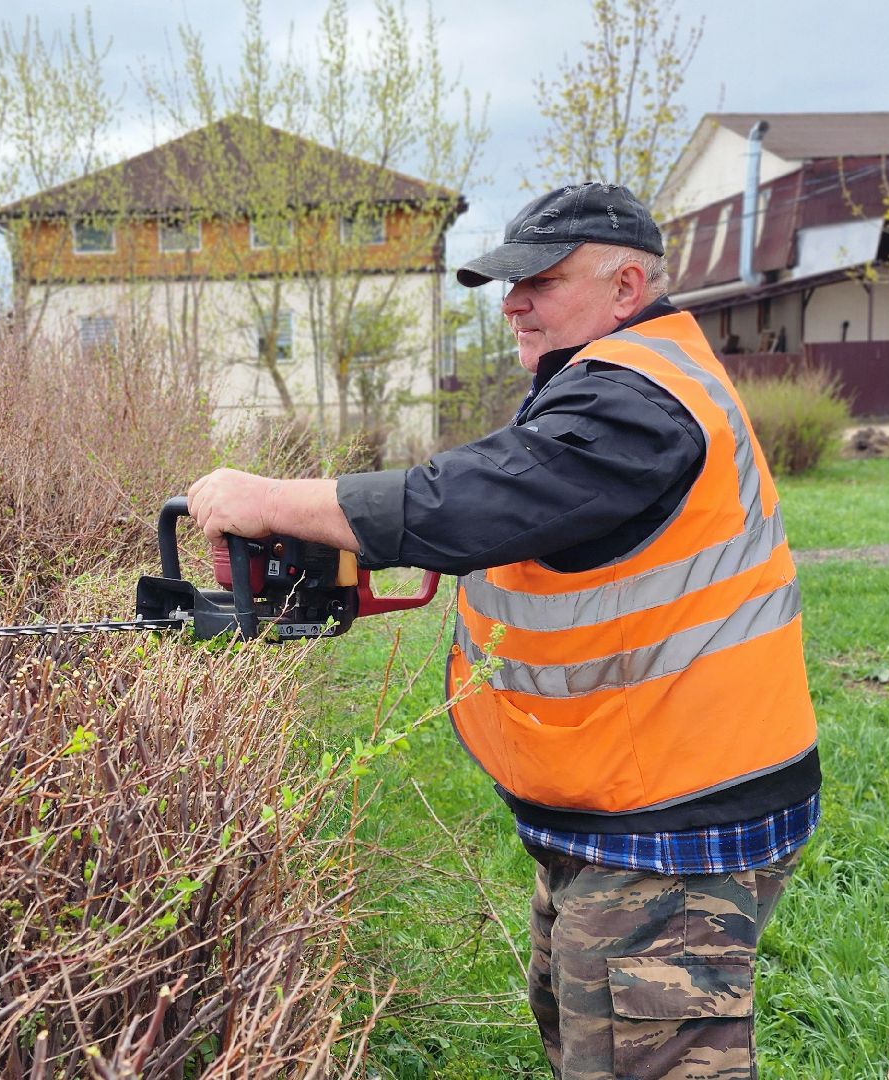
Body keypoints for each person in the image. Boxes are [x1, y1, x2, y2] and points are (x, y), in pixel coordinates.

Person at [187, 182, 819, 1080]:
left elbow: (478, 498)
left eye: (542, 282)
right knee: (584, 1039)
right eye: (509, 284)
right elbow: (537, 525)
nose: (513, 303)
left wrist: (272, 499)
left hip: (673, 820)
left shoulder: (635, 403)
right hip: (623, 800)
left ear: (626, 287)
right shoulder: (609, 380)